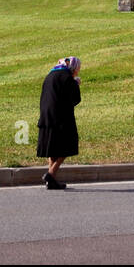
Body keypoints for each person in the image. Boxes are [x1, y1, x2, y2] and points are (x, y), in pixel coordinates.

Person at [37, 56, 82, 189]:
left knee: (53, 147)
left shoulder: (50, 75)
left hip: (46, 115)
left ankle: (51, 180)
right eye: (78, 68)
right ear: (72, 67)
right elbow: (75, 99)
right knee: (68, 144)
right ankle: (50, 174)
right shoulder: (67, 77)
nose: (78, 71)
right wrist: (76, 84)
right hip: (61, 117)